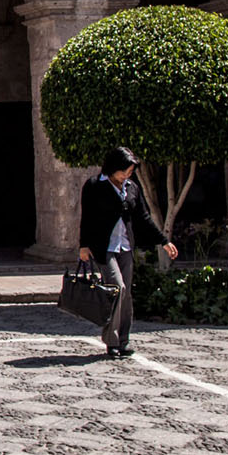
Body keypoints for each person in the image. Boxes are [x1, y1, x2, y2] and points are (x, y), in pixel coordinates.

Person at [78, 146, 178, 360]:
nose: (127, 175)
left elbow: (143, 217)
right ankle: (111, 342)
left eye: (130, 172)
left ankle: (123, 341)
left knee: (126, 295)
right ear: (113, 167)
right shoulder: (95, 186)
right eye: (124, 171)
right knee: (117, 289)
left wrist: (163, 241)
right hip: (103, 248)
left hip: (125, 247)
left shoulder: (131, 188)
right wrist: (83, 245)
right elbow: (87, 218)